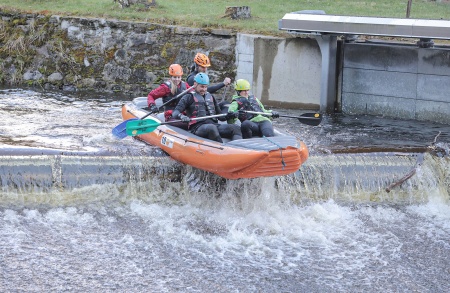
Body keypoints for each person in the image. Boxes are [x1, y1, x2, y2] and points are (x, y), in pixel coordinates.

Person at [172, 73, 242, 143]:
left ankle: (238, 148)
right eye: (202, 87)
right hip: (197, 128)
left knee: (235, 128)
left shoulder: (211, 97)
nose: (204, 89)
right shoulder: (188, 97)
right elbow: (175, 112)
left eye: (205, 87)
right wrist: (181, 116)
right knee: (211, 128)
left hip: (214, 125)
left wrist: (229, 115)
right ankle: (222, 148)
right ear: (195, 84)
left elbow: (221, 117)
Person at [147, 64, 191, 129]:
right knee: (185, 125)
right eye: (175, 77)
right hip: (171, 115)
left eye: (179, 77)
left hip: (184, 115)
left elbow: (194, 94)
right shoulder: (165, 87)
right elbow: (151, 95)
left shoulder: (186, 86)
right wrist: (152, 105)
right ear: (171, 77)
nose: (177, 79)